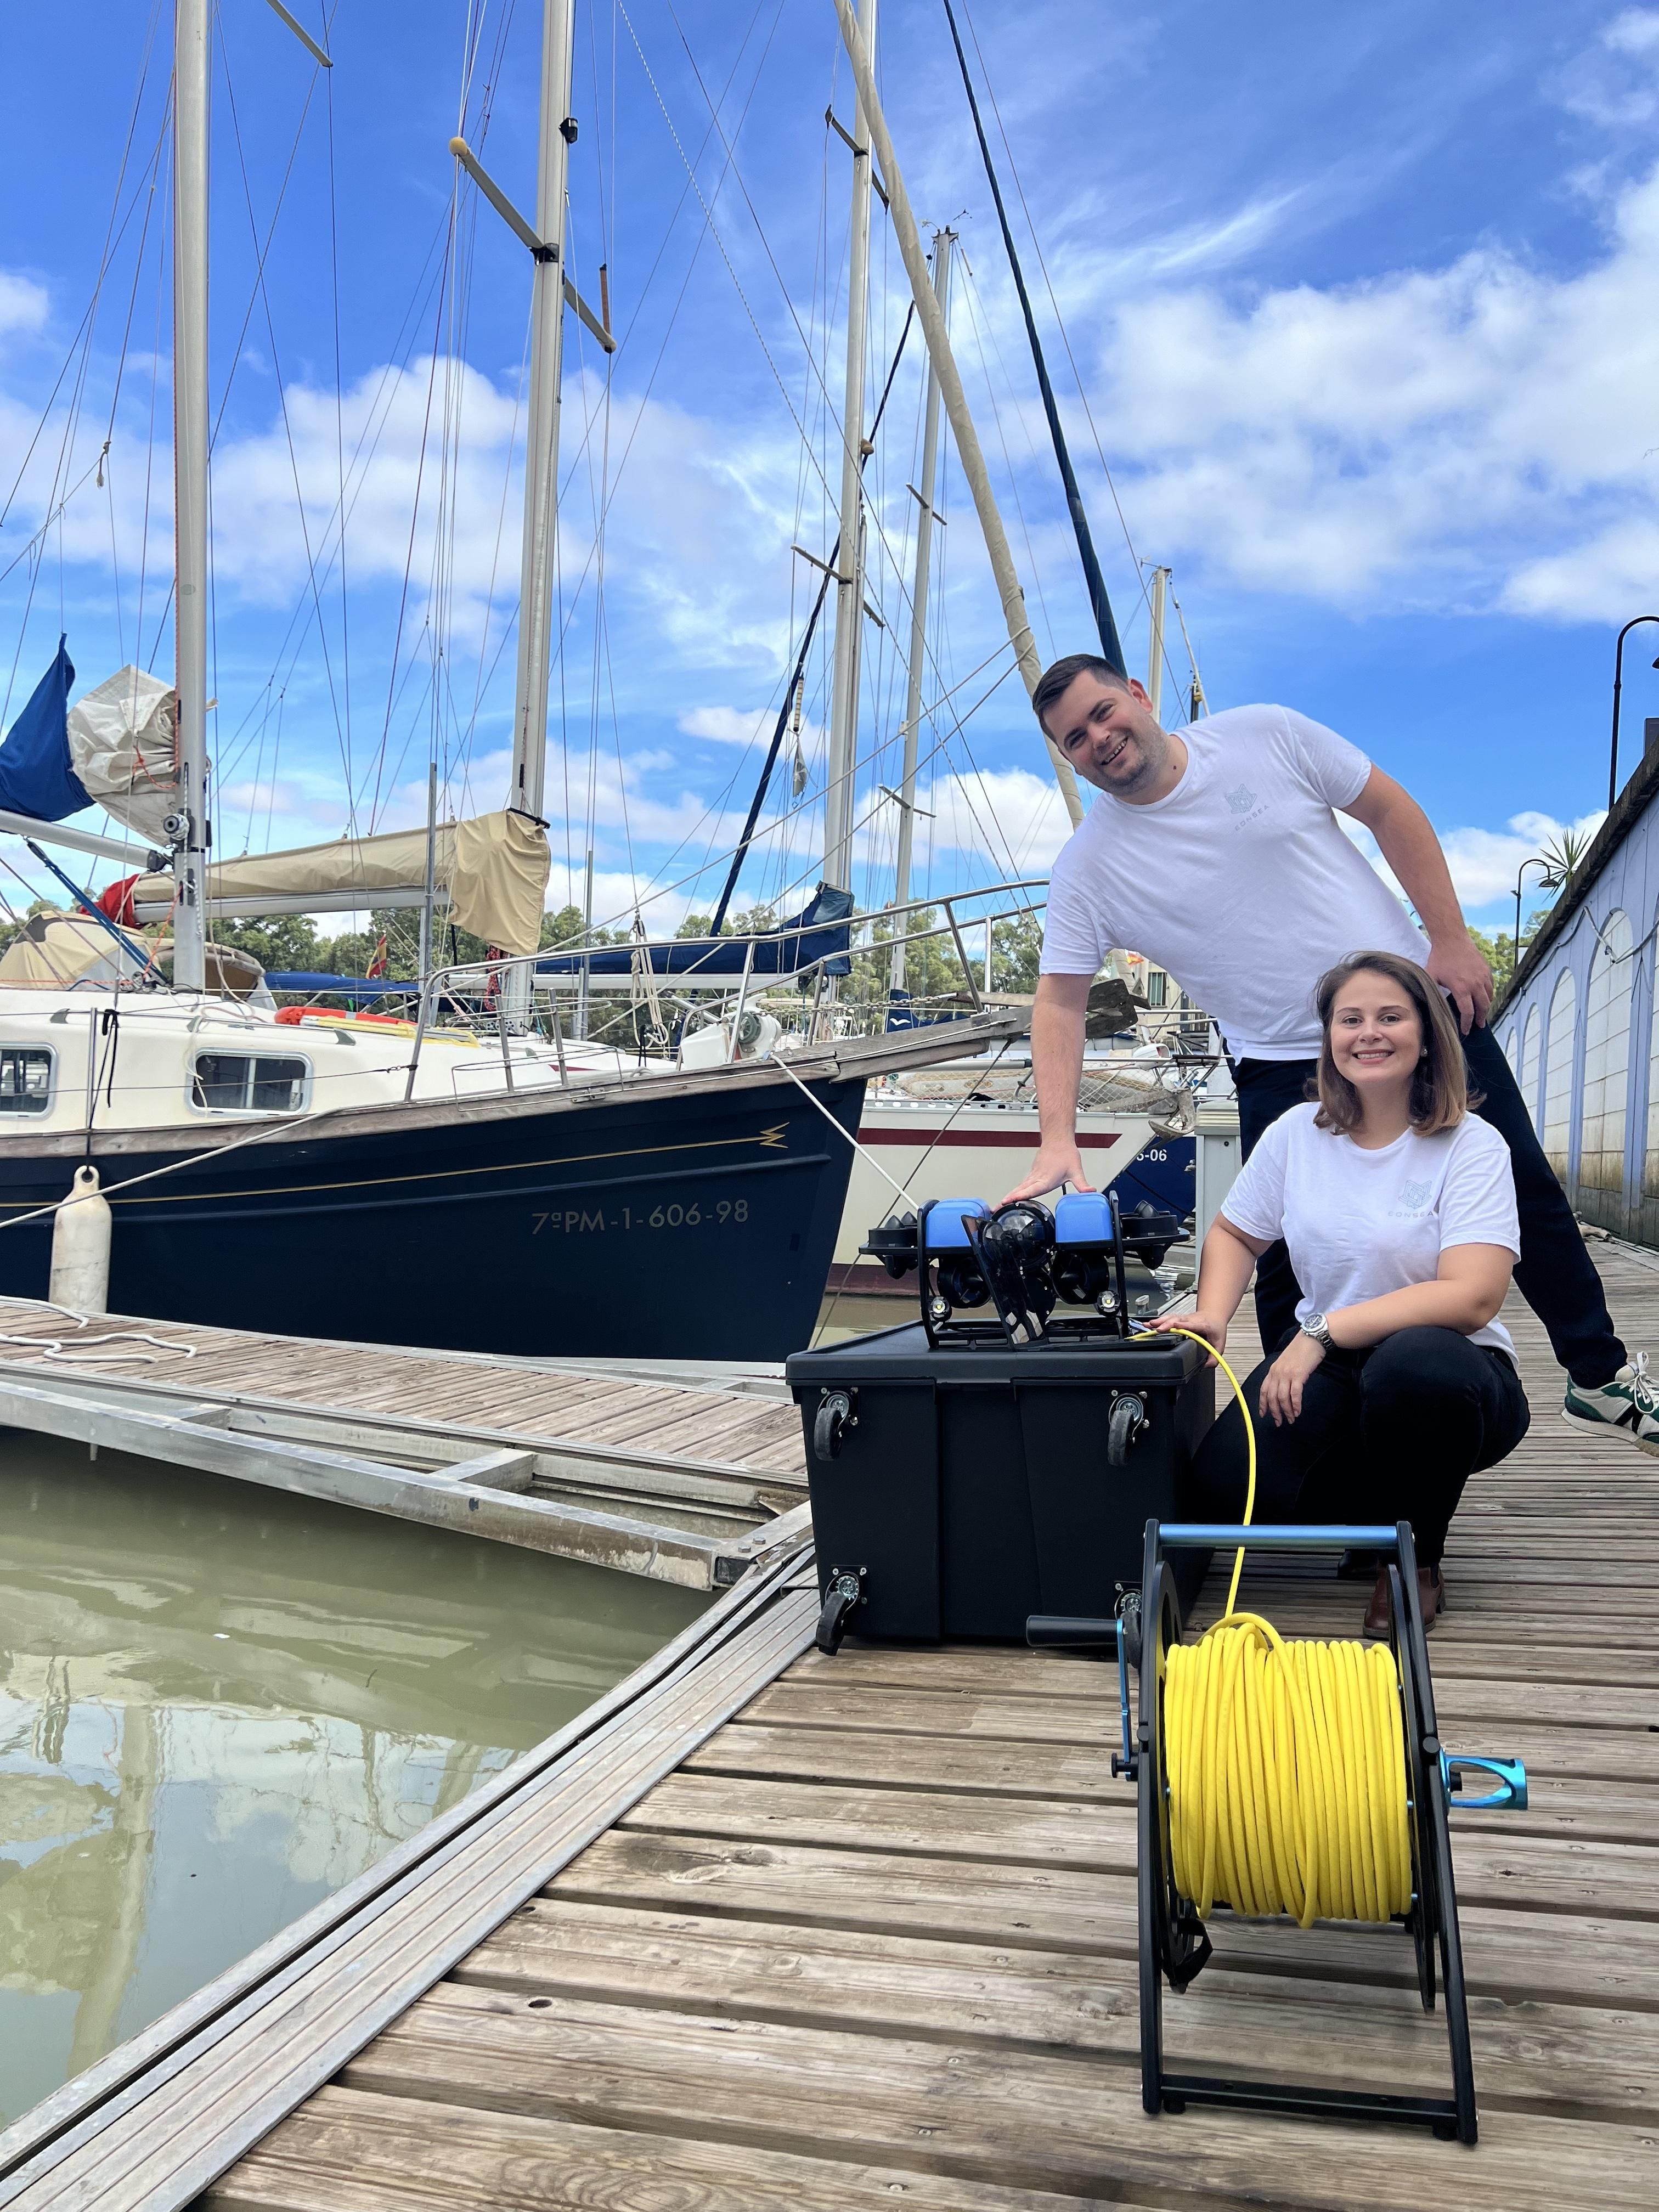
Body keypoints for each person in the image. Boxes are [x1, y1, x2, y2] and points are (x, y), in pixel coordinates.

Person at [1002, 654, 1654, 1452]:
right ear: (1065, 756)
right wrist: (1058, 1140)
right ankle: (1311, 1440)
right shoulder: (1087, 869)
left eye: (1105, 712)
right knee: (1281, 1254)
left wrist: (1449, 939)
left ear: (1139, 696)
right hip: (1280, 1061)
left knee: (1522, 1180)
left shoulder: (1263, 736)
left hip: (1415, 1012)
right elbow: (1060, 1000)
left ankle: (1599, 1377)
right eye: (1075, 737)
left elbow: (1389, 809)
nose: (1099, 738)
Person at [1155, 951, 1530, 1631]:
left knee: (1413, 1370)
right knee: (1227, 1488)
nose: (1369, 1033)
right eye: (1350, 1019)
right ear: (1329, 1037)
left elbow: (1473, 1297)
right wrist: (1212, 1312)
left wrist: (1319, 1333)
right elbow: (1237, 1235)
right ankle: (1379, 1512)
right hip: (1337, 1369)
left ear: (1426, 1034)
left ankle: (1413, 1559)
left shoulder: (1472, 1145)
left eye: (1391, 1017)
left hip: (1452, 1370)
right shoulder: (1297, 1134)